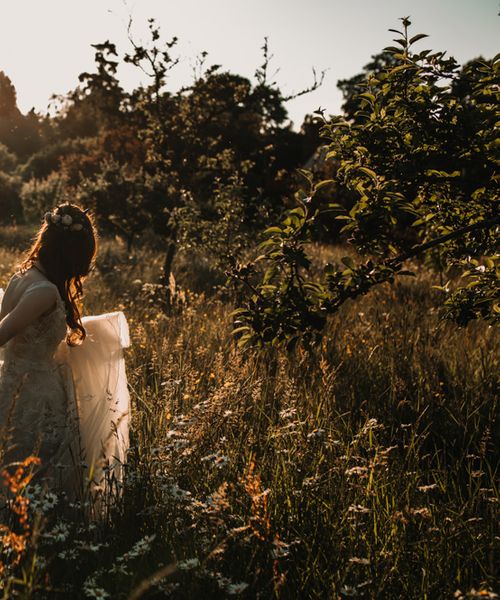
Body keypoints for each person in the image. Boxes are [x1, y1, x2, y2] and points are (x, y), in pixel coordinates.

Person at [0, 203, 130, 510]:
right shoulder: (44, 291)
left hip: (10, 385)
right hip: (33, 398)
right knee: (29, 478)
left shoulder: (23, 275)